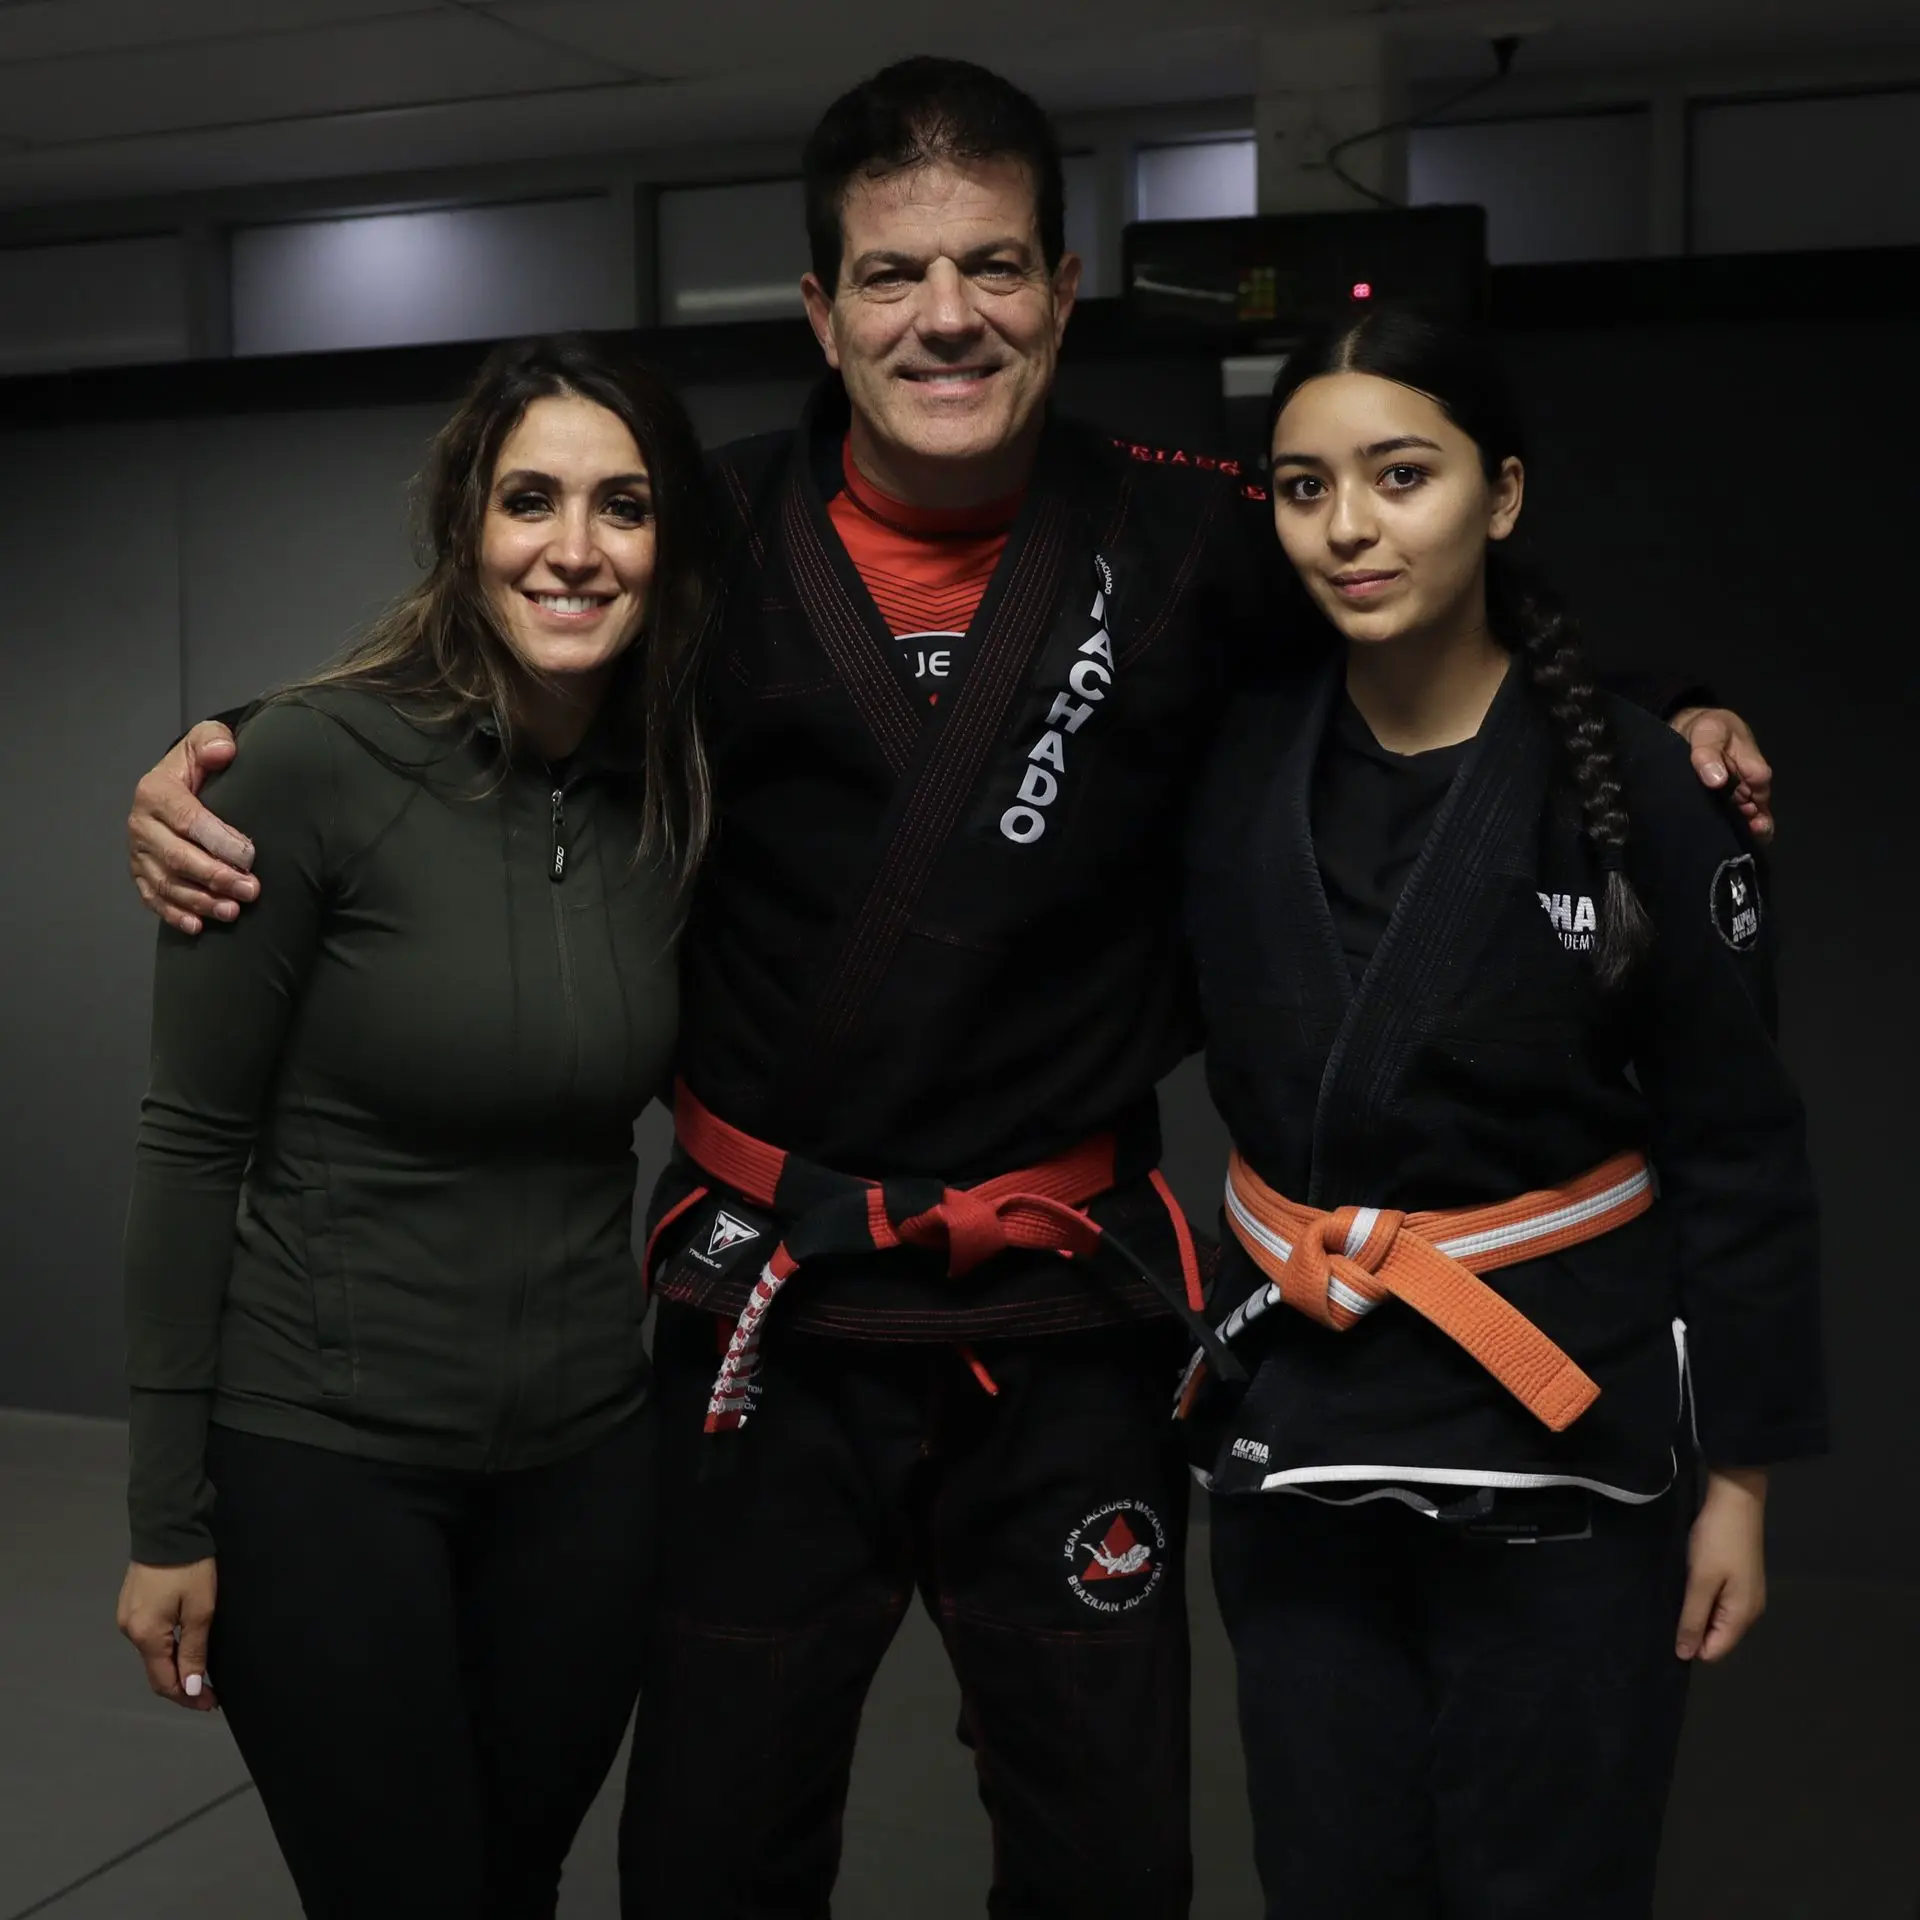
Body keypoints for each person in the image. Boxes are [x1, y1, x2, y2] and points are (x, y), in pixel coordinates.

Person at [121, 61, 1775, 1920]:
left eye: (994, 268)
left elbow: (1428, 610)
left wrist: (1662, 708)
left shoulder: (1192, 533)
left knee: (1107, 1857)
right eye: (894, 276)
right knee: (711, 1850)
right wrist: (236, 743)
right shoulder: (706, 535)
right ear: (820, 312)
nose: (947, 318)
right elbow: (491, 670)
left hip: (1067, 1313)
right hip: (773, 1294)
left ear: (1064, 292)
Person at [1180, 308, 1824, 1919]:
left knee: (1549, 1882)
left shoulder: (1638, 791)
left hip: (1563, 1423)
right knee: (1328, 1874)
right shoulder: (1232, 763)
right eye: (1305, 487)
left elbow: (1738, 1148)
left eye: (1403, 476)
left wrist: (1739, 1484)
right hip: (1308, 1419)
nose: (1351, 527)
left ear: (1504, 495)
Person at [115, 335, 715, 1919]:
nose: (574, 548)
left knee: (513, 1887)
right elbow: (189, 1146)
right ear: (466, 528)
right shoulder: (300, 770)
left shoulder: (680, 790)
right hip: (326, 1465)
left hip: (589, 1466)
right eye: (531, 500)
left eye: (623, 506)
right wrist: (166, 1516)